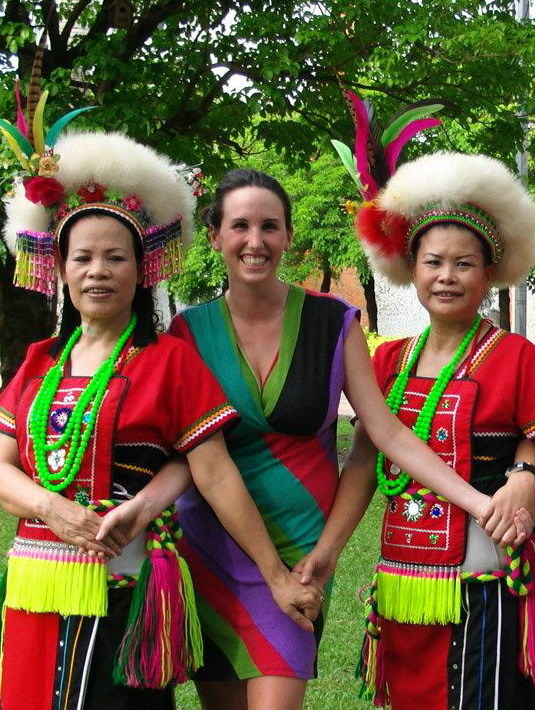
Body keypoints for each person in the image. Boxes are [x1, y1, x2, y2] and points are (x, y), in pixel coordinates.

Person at [304, 146, 535, 710]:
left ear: (490, 274)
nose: (447, 277)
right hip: (401, 583)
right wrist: (328, 552)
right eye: (433, 262)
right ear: (410, 268)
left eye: (464, 264)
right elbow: (365, 465)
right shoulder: (389, 361)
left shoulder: (514, 357)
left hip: (485, 585)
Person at [168, 167, 531, 710]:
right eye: (239, 225)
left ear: (289, 235)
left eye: (270, 226)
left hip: (302, 553)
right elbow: (198, 459)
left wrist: (478, 502)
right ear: (215, 235)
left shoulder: (333, 321)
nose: (255, 241)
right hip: (214, 544)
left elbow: (385, 432)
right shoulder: (187, 333)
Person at [0, 127, 320, 710]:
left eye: (116, 257)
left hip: (126, 592)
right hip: (35, 594)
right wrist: (49, 507)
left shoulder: (168, 360)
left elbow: (212, 471)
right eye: (83, 258)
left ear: (143, 269)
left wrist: (274, 573)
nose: (99, 271)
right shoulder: (37, 363)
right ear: (60, 269)